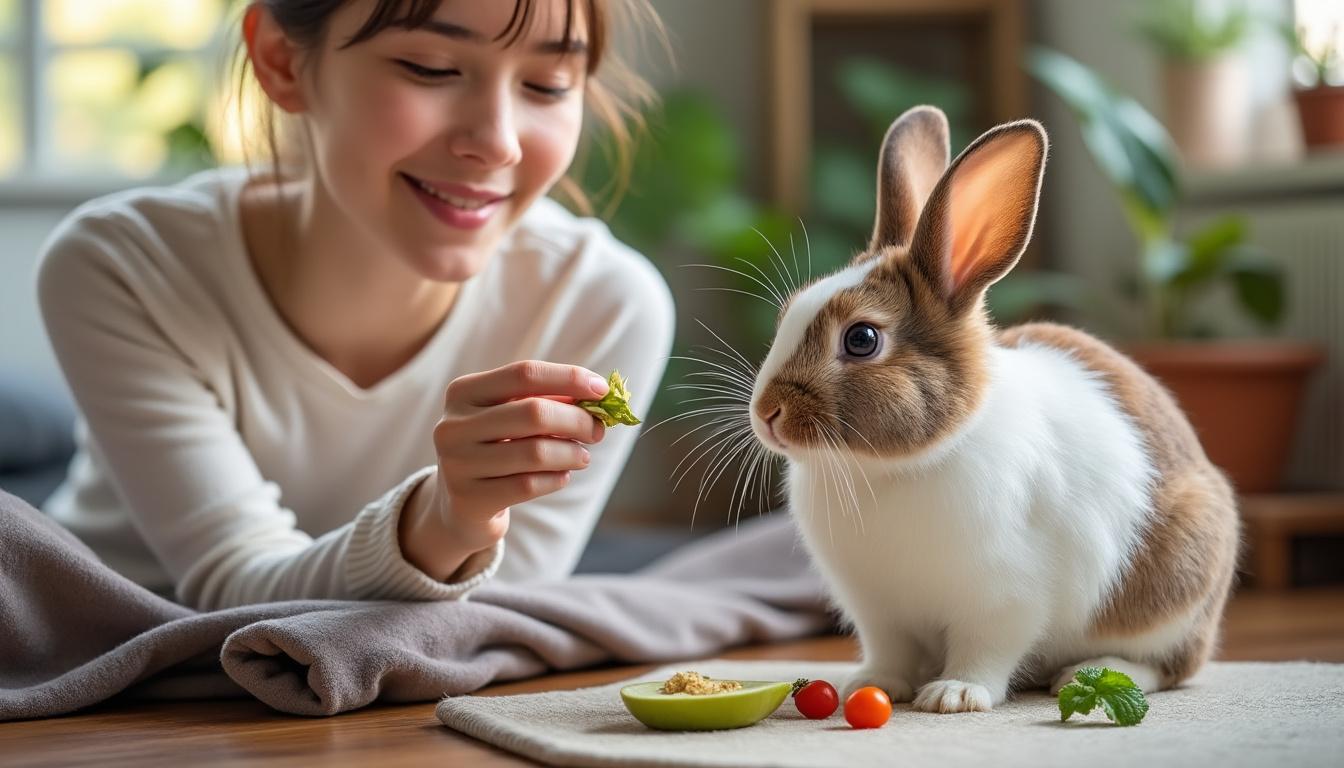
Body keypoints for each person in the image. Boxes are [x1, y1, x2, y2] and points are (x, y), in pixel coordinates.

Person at [35, 0, 675, 611]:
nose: (498, 142)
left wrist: (450, 523)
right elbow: (237, 587)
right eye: (432, 68)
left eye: (547, 84)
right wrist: (439, 521)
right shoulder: (126, 265)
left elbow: (498, 618)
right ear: (282, 61)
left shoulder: (601, 304)